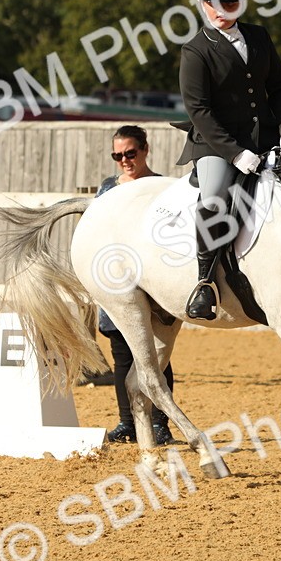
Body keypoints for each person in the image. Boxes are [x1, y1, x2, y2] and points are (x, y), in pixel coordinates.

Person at [177, 0, 281, 320]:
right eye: (211, 3)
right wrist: (234, 154)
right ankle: (204, 284)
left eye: (228, 1)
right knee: (214, 197)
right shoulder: (196, 51)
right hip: (216, 144)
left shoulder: (259, 37)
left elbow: (280, 87)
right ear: (202, 4)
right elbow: (199, 111)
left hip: (266, 138)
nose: (219, 10)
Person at [95, 125, 176, 445]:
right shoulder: (107, 189)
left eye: (130, 153)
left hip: (154, 283)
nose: (124, 160)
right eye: (117, 155)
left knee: (157, 355)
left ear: (145, 150)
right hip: (115, 281)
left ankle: (159, 423)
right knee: (122, 356)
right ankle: (128, 422)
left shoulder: (162, 187)